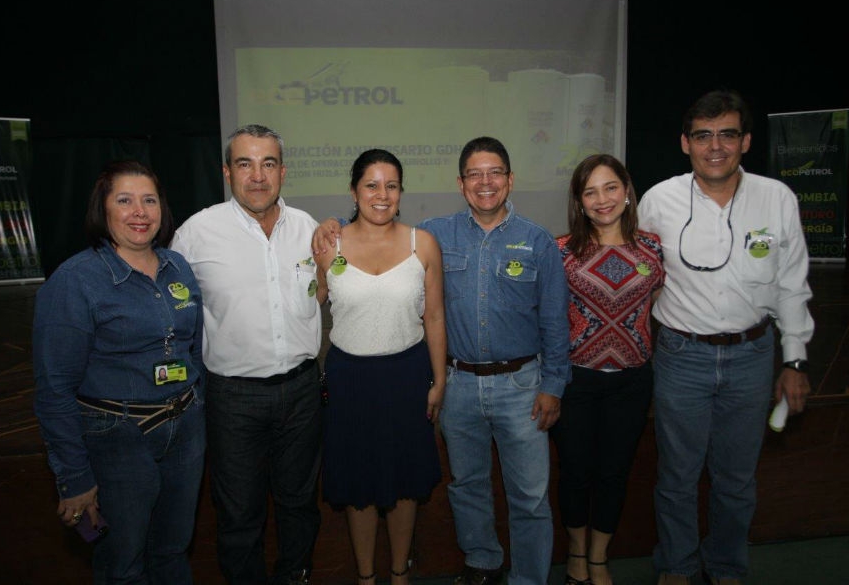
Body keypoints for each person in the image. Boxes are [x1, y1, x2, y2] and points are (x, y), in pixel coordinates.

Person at [315, 136, 570, 585]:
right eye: (474, 174)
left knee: (530, 496)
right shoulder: (437, 233)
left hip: (519, 386)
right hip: (458, 383)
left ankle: (528, 579)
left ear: (510, 180)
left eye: (494, 173)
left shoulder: (536, 241)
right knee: (467, 485)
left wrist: (554, 384)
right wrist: (331, 223)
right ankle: (482, 564)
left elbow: (553, 319)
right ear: (460, 183)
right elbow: (365, 234)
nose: (485, 182)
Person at [637, 90, 814, 585]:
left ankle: (726, 566)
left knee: (736, 479)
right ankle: (676, 566)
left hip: (752, 355)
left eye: (727, 135)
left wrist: (795, 361)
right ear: (685, 143)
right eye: (703, 136)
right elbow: (639, 271)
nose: (715, 146)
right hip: (680, 356)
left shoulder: (777, 198)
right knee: (677, 476)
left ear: (746, 141)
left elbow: (792, 285)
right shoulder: (658, 200)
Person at [33, 159, 206, 583]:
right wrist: (75, 477)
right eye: (125, 200)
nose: (139, 212)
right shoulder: (76, 281)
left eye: (149, 200)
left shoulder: (178, 267)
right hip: (118, 437)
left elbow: (193, 348)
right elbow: (54, 388)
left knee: (173, 550)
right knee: (123, 563)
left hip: (185, 430)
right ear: (103, 208)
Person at [170, 124, 327, 585]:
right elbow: (174, 314)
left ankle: (295, 574)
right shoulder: (196, 234)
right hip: (232, 398)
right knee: (239, 511)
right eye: (245, 164)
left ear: (283, 171)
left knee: (300, 502)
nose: (258, 176)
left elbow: (321, 293)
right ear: (227, 172)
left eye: (268, 163)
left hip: (302, 391)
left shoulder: (308, 229)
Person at [315, 149, 446, 585]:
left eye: (391, 185)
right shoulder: (327, 246)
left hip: (407, 376)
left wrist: (439, 381)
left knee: (405, 481)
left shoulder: (422, 244)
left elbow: (434, 317)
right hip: (349, 380)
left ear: (401, 192)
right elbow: (308, 305)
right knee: (359, 484)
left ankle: (399, 572)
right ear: (354, 192)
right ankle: (367, 577)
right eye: (371, 185)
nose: (382, 194)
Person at [551, 154, 664, 585]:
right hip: (575, 381)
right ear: (579, 202)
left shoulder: (652, 248)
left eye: (611, 187)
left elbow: (656, 302)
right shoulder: (560, 251)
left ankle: (599, 557)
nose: (602, 199)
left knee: (615, 472)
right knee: (576, 472)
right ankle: (577, 553)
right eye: (590, 192)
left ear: (627, 191)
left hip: (632, 383)